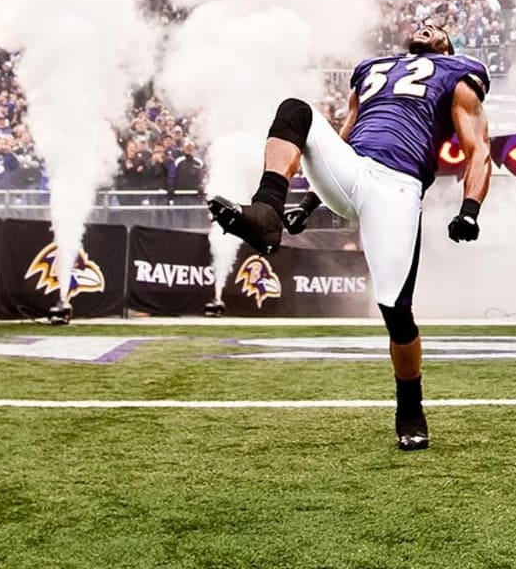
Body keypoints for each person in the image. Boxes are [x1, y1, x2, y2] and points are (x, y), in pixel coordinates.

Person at [208, 23, 491, 451]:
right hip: (352, 169)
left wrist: (470, 208)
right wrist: (308, 202)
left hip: (397, 187)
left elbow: (479, 147)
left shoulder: (457, 72)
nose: (425, 25)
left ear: (448, 45)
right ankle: (265, 212)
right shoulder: (373, 68)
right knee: (295, 110)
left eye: (437, 27)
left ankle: (409, 407)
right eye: (421, 24)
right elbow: (344, 134)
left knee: (396, 312)